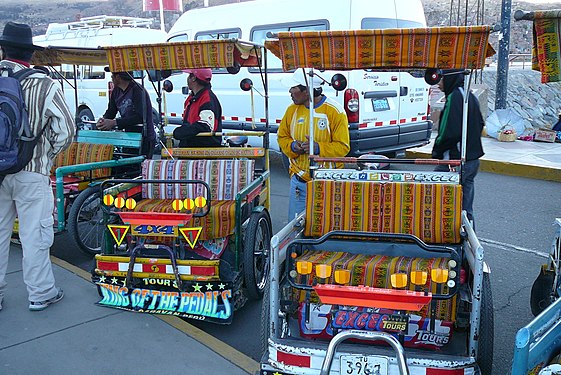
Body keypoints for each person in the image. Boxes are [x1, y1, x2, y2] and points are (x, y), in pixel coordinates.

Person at [0, 22, 75, 311]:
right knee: (34, 235)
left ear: (4, 49)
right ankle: (41, 293)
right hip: (32, 171)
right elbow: (66, 130)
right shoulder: (44, 84)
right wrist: (45, 154)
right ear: (29, 54)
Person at [278, 70, 350, 220]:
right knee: (296, 227)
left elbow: (343, 147)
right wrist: (292, 146)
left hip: (328, 182)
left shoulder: (335, 112)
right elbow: (282, 136)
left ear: (307, 90)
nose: (290, 92)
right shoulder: (291, 110)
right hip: (299, 181)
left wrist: (318, 148)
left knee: (326, 225)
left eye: (294, 88)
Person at [431, 69, 485, 223]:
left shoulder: (454, 97)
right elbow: (480, 123)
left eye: (441, 79)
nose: (439, 83)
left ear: (449, 79)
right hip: (472, 159)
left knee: (438, 197)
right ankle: (467, 237)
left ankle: (442, 235)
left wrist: (437, 151)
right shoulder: (469, 96)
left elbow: (447, 132)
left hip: (455, 160)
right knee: (466, 206)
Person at [96, 71, 156, 158]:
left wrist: (115, 123)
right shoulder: (116, 91)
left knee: (140, 168)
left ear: (118, 77)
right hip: (128, 137)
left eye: (112, 76)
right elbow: (111, 112)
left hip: (144, 137)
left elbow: (141, 117)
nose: (111, 78)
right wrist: (103, 121)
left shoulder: (138, 90)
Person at [173, 68, 222, 147]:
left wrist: (181, 132)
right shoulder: (193, 97)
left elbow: (205, 126)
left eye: (189, 75)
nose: (187, 78)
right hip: (191, 149)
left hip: (203, 152)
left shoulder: (207, 98)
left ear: (193, 78)